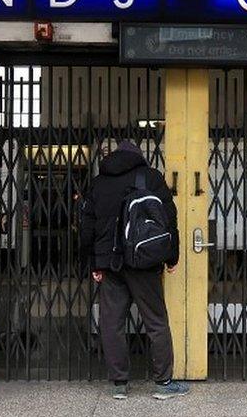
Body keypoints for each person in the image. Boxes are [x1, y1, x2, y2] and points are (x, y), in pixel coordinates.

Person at [78, 140, 189, 401]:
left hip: (110, 264)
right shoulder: (150, 178)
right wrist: (171, 257)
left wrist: (94, 263)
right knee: (156, 321)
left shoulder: (99, 182)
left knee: (112, 323)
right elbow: (168, 220)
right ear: (139, 156)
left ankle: (119, 384)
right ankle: (163, 382)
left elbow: (87, 226)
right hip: (144, 262)